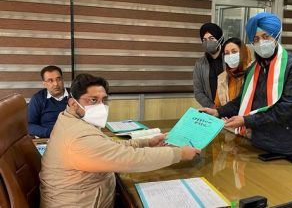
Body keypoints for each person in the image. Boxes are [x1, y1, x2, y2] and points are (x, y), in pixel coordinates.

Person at [39, 73, 200, 207]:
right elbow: (132, 159)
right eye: (93, 100)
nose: (101, 106)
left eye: (104, 100)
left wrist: (147, 142)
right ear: (73, 103)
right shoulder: (78, 138)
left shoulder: (72, 120)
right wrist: (180, 154)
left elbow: (109, 147)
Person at [201, 12, 292, 172]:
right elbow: (241, 100)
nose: (261, 42)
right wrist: (217, 112)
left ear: (276, 36)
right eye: (256, 39)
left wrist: (246, 121)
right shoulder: (254, 69)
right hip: (264, 142)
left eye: (266, 37)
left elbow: (284, 110)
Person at [27, 65, 68, 138]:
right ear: (44, 84)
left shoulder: (75, 95)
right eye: (50, 80)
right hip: (48, 138)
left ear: (62, 80)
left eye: (58, 79)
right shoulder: (38, 98)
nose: (55, 84)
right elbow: (29, 125)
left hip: (73, 138)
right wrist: (51, 133)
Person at [193, 22, 225, 108]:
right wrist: (213, 107)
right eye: (204, 40)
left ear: (219, 39)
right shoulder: (199, 64)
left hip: (232, 111)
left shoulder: (229, 59)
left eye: (211, 38)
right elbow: (198, 92)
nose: (208, 42)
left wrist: (226, 109)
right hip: (210, 111)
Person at [214, 37, 252, 107]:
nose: (230, 56)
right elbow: (217, 105)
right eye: (227, 53)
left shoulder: (254, 74)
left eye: (234, 52)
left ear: (243, 53)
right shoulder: (222, 78)